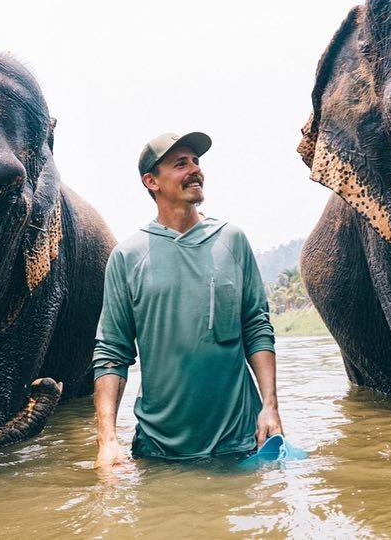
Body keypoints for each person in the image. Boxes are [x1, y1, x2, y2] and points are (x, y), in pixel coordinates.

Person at [92, 131, 282, 468]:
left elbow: (257, 326)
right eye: (181, 164)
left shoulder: (232, 241)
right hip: (160, 450)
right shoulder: (127, 256)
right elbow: (111, 352)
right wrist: (107, 441)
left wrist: (270, 406)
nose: (195, 169)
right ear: (152, 181)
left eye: (196, 161)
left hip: (242, 440)